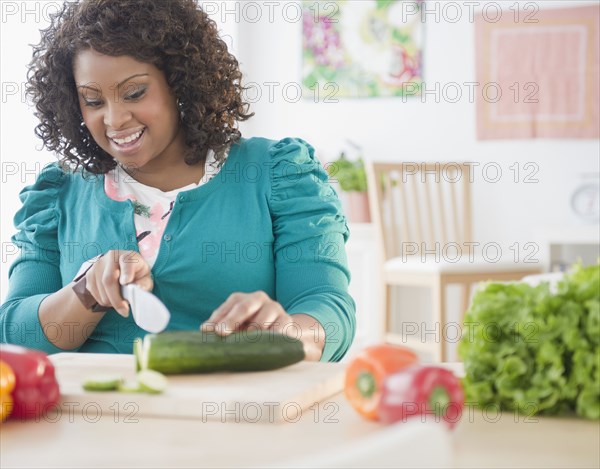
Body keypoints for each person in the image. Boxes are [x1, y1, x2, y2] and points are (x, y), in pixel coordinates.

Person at [0, 0, 355, 362]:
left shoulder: (278, 174)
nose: (115, 119)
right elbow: (16, 337)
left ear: (181, 81)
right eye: (93, 101)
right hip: (91, 414)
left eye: (135, 92)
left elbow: (328, 308)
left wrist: (288, 335)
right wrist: (86, 291)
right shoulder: (58, 193)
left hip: (234, 414)